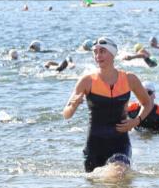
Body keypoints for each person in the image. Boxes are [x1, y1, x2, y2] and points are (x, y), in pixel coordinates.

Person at [62, 37, 153, 175]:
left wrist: (135, 121)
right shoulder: (87, 81)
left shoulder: (129, 79)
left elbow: (147, 103)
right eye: (96, 52)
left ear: (113, 54)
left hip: (120, 142)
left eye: (102, 51)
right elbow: (66, 114)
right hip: (94, 144)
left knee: (118, 174)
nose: (98, 56)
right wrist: (73, 105)